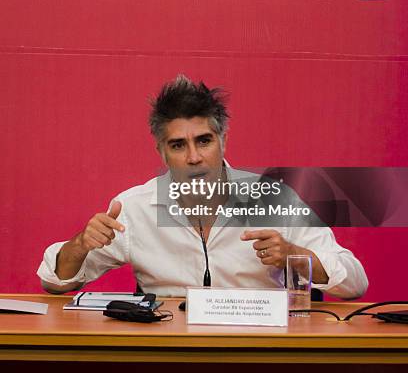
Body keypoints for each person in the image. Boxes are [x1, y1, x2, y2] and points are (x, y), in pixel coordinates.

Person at [37, 76, 368, 298]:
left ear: (223, 141)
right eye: (178, 145)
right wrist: (80, 245)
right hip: (167, 357)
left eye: (204, 141)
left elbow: (355, 282)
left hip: (262, 355)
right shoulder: (134, 207)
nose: (194, 157)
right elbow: (54, 280)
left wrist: (296, 257)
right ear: (161, 152)